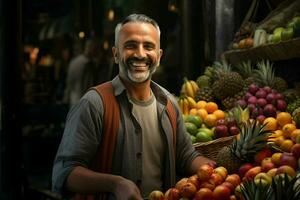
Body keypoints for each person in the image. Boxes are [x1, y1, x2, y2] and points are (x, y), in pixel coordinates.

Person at [52, 13, 215, 200]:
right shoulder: (94, 104)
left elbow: (186, 156)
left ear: (159, 56)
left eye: (148, 46)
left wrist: (216, 170)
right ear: (115, 54)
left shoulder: (169, 103)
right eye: (130, 45)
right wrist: (116, 184)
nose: (140, 54)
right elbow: (64, 173)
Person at [63, 37, 104, 108]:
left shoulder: (74, 61)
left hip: (73, 100)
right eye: (96, 49)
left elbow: (69, 83)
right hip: (84, 102)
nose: (97, 52)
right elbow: (89, 84)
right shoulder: (88, 64)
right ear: (92, 48)